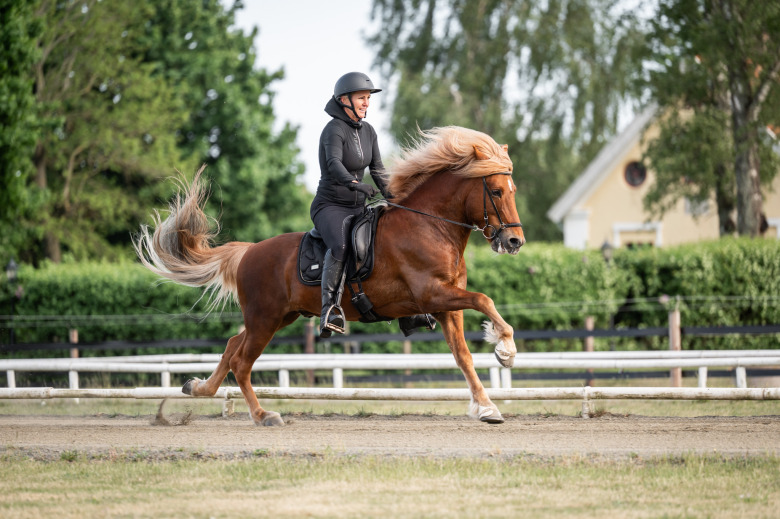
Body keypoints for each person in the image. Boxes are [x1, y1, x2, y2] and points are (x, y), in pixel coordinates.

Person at [312, 72, 435, 338]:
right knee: (342, 245)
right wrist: (355, 185)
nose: (366, 103)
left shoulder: (368, 131)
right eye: (361, 98)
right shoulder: (333, 129)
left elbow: (378, 170)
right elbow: (334, 165)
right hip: (330, 207)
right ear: (344, 100)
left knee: (393, 238)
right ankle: (329, 309)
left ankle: (408, 311)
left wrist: (396, 200)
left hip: (358, 208)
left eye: (368, 98)